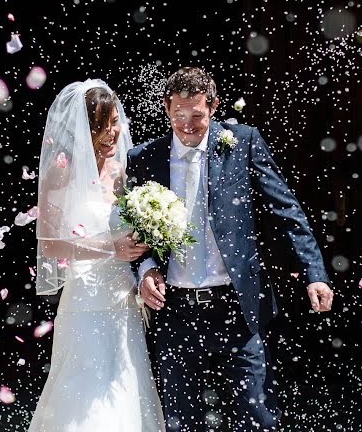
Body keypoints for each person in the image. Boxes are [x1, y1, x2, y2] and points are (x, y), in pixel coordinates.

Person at [127, 67, 334, 432]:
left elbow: (286, 210)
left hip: (236, 308)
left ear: (214, 107)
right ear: (166, 109)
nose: (187, 125)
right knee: (182, 423)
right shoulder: (145, 158)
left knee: (257, 418)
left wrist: (314, 273)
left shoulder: (242, 142)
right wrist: (145, 270)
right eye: (179, 115)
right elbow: (131, 232)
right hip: (175, 312)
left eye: (197, 116)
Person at [28, 79, 165, 432]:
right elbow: (49, 244)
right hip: (85, 302)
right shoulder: (60, 174)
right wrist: (110, 248)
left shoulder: (122, 174)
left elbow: (134, 230)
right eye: (101, 127)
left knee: (127, 391)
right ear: (82, 128)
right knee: (83, 397)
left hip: (123, 303)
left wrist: (148, 241)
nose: (112, 134)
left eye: (115, 122)